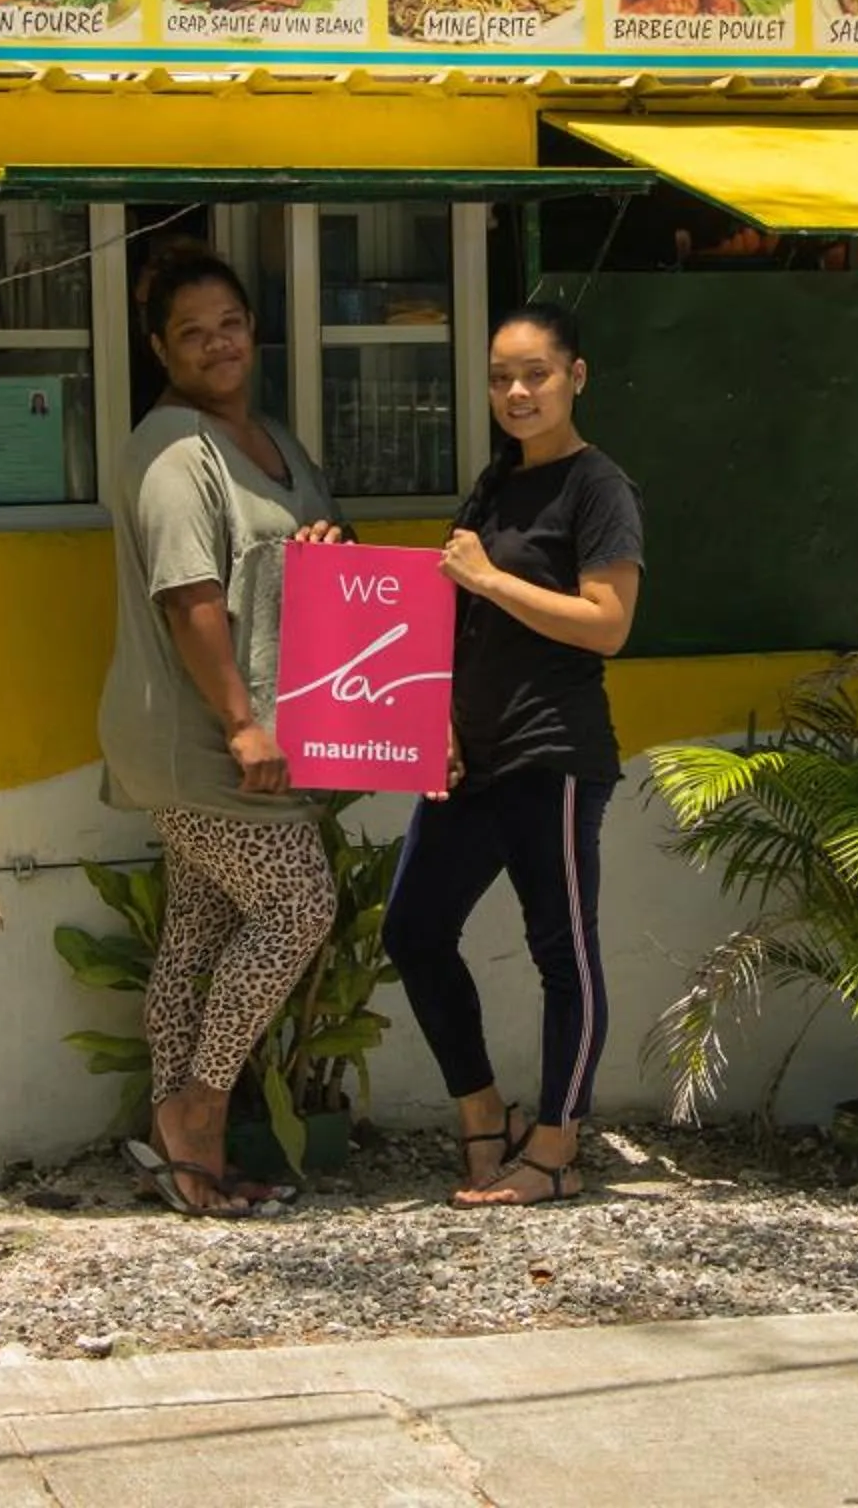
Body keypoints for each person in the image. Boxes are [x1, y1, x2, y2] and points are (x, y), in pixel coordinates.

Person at [96, 248, 345, 1216]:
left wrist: (327, 547)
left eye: (230, 322)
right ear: (161, 347)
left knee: (200, 927)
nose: (217, 343)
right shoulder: (171, 447)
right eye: (193, 331)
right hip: (197, 736)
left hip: (244, 731)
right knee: (296, 905)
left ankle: (176, 1142)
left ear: (254, 326)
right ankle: (198, 1110)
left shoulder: (269, 435)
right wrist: (244, 725)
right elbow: (190, 596)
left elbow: (309, 555)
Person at [382, 302, 643, 1208]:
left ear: (576, 376)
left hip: (555, 755)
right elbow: (459, 621)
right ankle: (484, 1113)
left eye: (534, 373)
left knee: (560, 951)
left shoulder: (598, 486)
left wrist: (491, 576)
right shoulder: (495, 486)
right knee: (412, 931)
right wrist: (438, 725)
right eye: (500, 378)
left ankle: (557, 1149)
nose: (517, 392)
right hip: (472, 760)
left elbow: (608, 625)